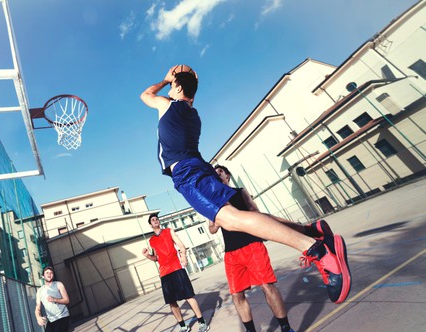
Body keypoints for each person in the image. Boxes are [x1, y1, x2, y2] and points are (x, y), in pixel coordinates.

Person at [140, 65, 351, 304]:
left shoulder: (169, 106)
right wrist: (180, 81)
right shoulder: (193, 115)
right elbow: (178, 94)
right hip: (198, 166)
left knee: (231, 219)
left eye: (174, 85)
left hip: (187, 173)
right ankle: (310, 230)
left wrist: (165, 80)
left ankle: (319, 250)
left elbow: (145, 95)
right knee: (240, 217)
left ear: (176, 87)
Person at [210, 164, 308, 332]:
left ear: (227, 176)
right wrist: (213, 218)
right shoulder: (213, 200)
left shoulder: (239, 192)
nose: (217, 173)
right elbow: (212, 229)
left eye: (220, 171)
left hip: (252, 245)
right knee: (237, 295)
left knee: (267, 286)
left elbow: (255, 211)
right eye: (214, 172)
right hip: (232, 253)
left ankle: (287, 331)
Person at [142, 213, 210, 332]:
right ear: (151, 225)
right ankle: (183, 326)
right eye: (153, 220)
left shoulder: (169, 231)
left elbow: (181, 245)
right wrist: (148, 256)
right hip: (164, 273)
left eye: (157, 218)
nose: (156, 220)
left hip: (176, 268)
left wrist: (183, 256)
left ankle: (202, 322)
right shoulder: (151, 241)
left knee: (188, 296)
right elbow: (156, 257)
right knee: (172, 302)